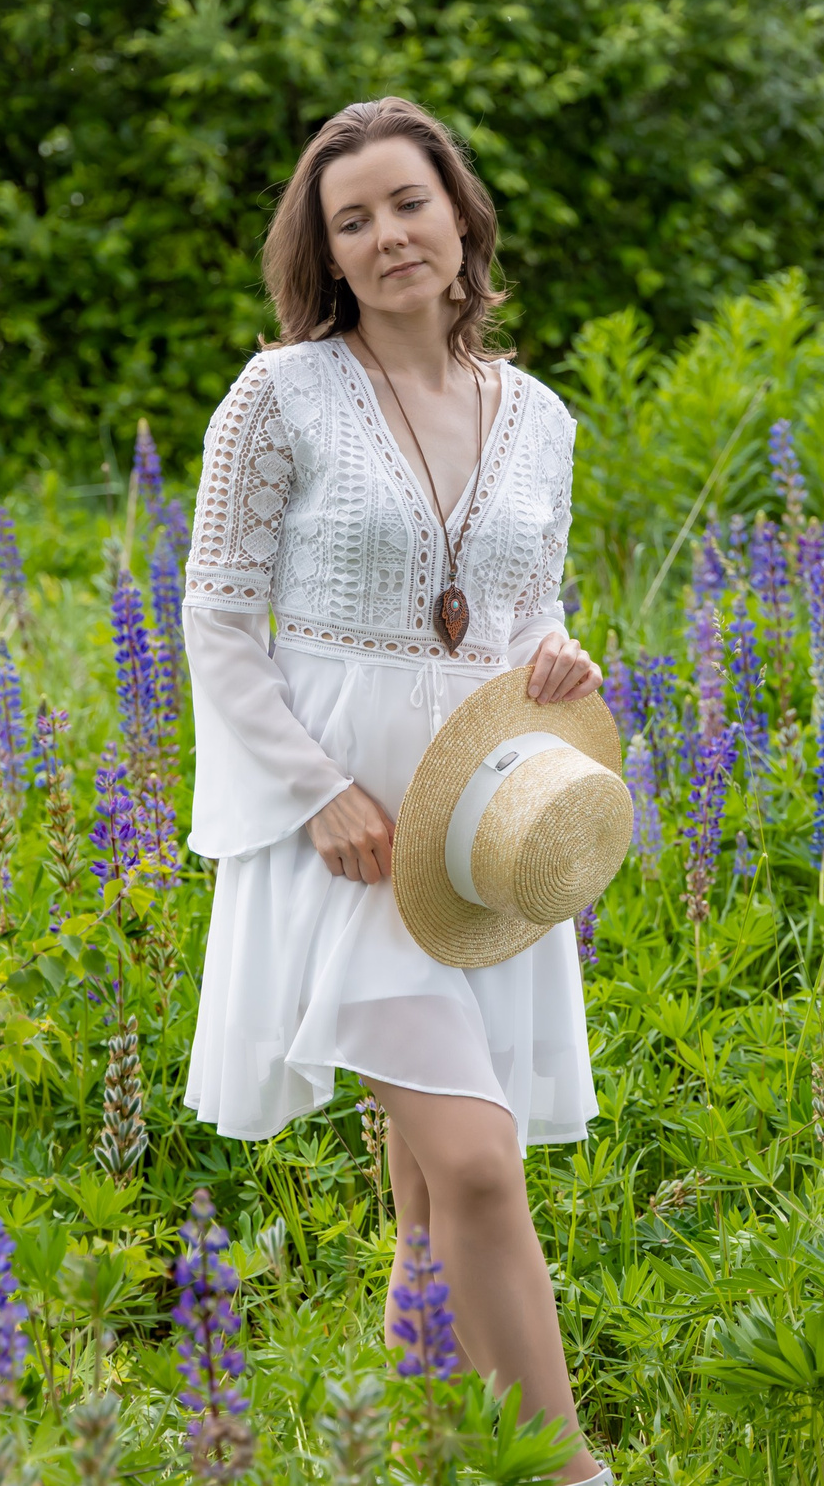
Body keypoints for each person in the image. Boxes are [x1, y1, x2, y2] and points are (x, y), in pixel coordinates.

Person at [181, 96, 610, 1484]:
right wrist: (312, 794)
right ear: (325, 252)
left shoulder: (537, 416)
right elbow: (217, 618)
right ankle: (569, 1474)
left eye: (406, 205)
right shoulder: (280, 395)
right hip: (345, 837)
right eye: (349, 220)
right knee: (477, 1164)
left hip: (477, 827)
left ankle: (424, 1461)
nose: (385, 237)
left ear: (460, 216)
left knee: (437, 1207)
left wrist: (560, 654)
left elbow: (528, 609)